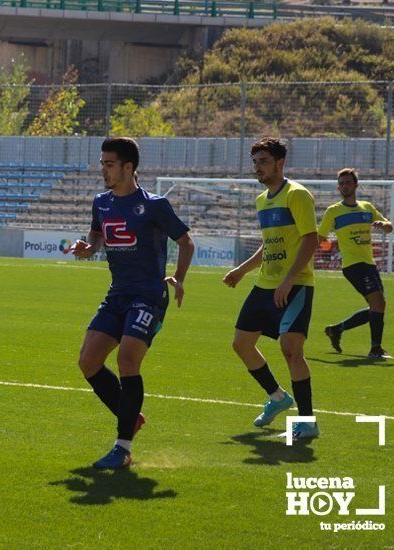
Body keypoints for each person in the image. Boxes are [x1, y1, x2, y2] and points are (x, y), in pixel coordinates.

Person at [70, 137, 194, 470]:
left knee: (127, 359)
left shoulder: (154, 206)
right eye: (102, 164)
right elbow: (97, 236)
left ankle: (122, 448)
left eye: (109, 165)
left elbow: (185, 242)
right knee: (88, 361)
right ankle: (130, 416)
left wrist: (179, 278)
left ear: (129, 167)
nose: (103, 170)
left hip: (149, 295)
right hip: (118, 293)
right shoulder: (101, 202)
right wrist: (88, 247)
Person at [223, 138, 319, 441]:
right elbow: (269, 245)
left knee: (291, 349)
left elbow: (311, 239)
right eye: (255, 162)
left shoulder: (298, 195)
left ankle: (307, 421)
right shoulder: (262, 199)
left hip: (296, 284)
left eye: (263, 161)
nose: (257, 168)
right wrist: (242, 270)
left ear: (280, 163)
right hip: (265, 284)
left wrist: (289, 279)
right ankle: (277, 397)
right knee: (241, 344)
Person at [320, 168, 393, 359]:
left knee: (378, 306)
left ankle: (337, 329)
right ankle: (375, 349)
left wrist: (383, 225)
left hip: (368, 264)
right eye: (341, 183)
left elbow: (389, 226)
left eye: (348, 182)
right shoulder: (333, 211)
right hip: (353, 265)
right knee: (379, 303)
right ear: (338, 187)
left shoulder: (367, 208)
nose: (344, 186)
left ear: (355, 185)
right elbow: (320, 237)